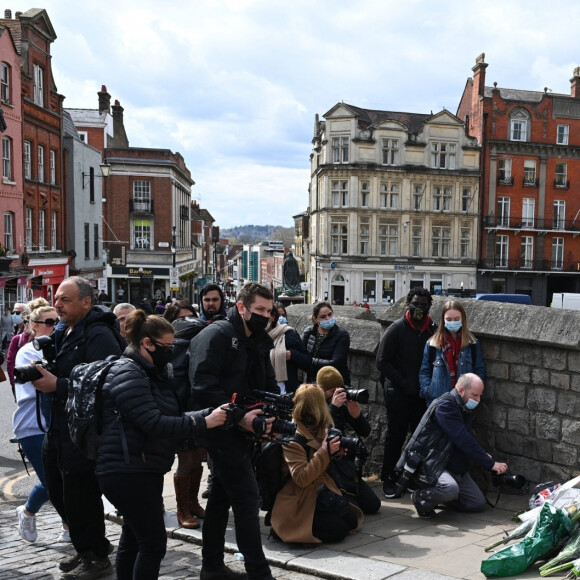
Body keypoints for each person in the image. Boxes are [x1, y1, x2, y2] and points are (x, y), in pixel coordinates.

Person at [96, 310, 227, 580]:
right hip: (126, 471)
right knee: (153, 544)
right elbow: (155, 423)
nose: (171, 352)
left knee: (133, 538)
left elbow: (170, 417)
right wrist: (205, 422)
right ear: (147, 343)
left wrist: (206, 415)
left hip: (140, 468)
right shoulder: (128, 373)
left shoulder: (151, 372)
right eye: (167, 347)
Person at [32, 276, 124, 579]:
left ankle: (95, 556)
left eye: (65, 299)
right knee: (58, 489)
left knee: (81, 493)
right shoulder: (64, 330)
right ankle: (88, 546)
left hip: (83, 429)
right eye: (56, 298)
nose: (57, 304)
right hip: (60, 424)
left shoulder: (99, 335)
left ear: (87, 302)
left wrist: (56, 384)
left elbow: (104, 384)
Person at [188, 282, 279, 580]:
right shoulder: (216, 336)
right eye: (259, 310)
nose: (265, 316)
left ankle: (211, 565)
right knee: (247, 498)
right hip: (218, 429)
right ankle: (258, 572)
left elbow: (264, 386)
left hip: (241, 431)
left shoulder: (259, 339)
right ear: (241, 307)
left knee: (220, 498)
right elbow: (202, 388)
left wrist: (267, 416)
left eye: (269, 310)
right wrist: (240, 417)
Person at [398, 373, 508, 518]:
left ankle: (443, 497)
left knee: (477, 503)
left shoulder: (462, 406)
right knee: (449, 489)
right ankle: (421, 497)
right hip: (433, 463)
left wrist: (481, 454)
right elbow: (462, 438)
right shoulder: (445, 406)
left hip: (455, 466)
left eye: (480, 395)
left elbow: (468, 438)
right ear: (461, 390)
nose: (478, 400)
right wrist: (489, 463)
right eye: (475, 395)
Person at [271, 383, 363, 543]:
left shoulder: (318, 428)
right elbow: (301, 478)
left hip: (320, 489)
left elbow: (322, 461)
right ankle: (286, 526)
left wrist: (336, 454)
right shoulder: (294, 438)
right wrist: (325, 452)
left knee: (352, 520)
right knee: (338, 530)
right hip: (300, 496)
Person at [13, 302, 69, 544]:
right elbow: (44, 381)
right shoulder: (28, 351)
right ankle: (27, 511)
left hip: (56, 423)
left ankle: (68, 527)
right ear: (34, 326)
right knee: (50, 481)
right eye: (49, 323)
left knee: (65, 480)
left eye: (57, 321)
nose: (54, 326)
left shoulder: (62, 347)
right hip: (33, 425)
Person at [375, 288, 436, 498]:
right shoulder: (396, 329)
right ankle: (388, 478)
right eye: (416, 304)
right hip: (398, 394)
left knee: (419, 439)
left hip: (421, 395)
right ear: (408, 305)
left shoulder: (433, 331)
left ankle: (411, 478)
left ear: (429, 307)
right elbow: (381, 361)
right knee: (395, 436)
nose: (419, 308)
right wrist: (403, 382)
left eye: (423, 305)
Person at [164, 299, 207, 529]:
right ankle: (182, 509)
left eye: (191, 317)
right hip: (181, 409)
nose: (187, 323)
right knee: (186, 459)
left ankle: (193, 502)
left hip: (198, 406)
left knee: (198, 456)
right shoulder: (170, 348)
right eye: (181, 319)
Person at [316, 366, 380, 514]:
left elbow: (365, 432)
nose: (337, 394)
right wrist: (334, 408)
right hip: (326, 465)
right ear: (322, 391)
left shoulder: (342, 403)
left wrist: (357, 416)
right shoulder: (315, 404)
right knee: (350, 509)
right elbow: (327, 434)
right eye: (332, 391)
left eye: (339, 389)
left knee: (373, 505)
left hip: (345, 463)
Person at [420, 300, 485, 405]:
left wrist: (474, 393)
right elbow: (424, 372)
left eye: (456, 319)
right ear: (443, 320)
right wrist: (428, 391)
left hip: (464, 402)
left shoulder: (472, 344)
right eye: (449, 319)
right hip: (439, 403)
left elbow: (479, 370)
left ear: (462, 319)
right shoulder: (433, 344)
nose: (453, 322)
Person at [302, 301, 350, 384]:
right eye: (323, 316)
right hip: (313, 381)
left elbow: (335, 363)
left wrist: (308, 360)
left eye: (330, 314)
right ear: (315, 319)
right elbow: (301, 354)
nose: (328, 318)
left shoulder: (342, 334)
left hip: (334, 382)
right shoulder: (309, 332)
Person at [267, 304, 311, 395]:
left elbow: (307, 362)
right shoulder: (255, 336)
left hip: (285, 391)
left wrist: (292, 355)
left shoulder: (289, 334)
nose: (281, 318)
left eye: (283, 315)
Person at [6, 302, 36, 401]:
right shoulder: (17, 334)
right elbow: (11, 362)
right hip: (20, 382)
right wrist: (14, 382)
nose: (15, 315)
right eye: (13, 312)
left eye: (18, 312)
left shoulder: (33, 334)